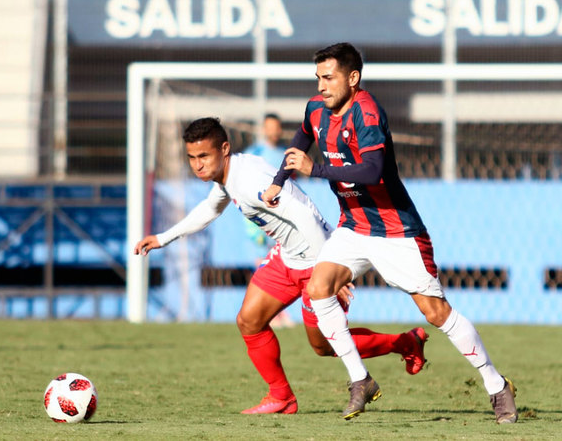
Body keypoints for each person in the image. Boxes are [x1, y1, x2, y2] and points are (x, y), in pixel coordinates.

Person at [261, 42, 518, 423]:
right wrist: (279, 181)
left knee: (436, 313)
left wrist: (314, 171)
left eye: (328, 77)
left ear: (353, 78)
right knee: (318, 289)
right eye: (317, 77)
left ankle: (497, 387)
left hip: (397, 230)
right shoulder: (316, 109)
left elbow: (371, 172)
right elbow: (301, 140)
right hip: (354, 227)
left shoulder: (367, 112)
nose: (321, 86)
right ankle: (360, 379)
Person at [134, 117, 428, 415]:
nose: (198, 165)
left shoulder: (250, 181)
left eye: (204, 156)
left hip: (316, 258)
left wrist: (329, 271)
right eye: (192, 158)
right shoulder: (229, 175)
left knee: (324, 346)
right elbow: (211, 207)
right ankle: (281, 396)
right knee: (249, 321)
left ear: (224, 149)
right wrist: (163, 238)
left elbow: (305, 217)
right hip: (287, 257)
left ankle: (405, 343)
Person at [244, 113, 294, 328]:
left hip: (282, 216)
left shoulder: (286, 154)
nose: (274, 131)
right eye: (270, 127)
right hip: (260, 219)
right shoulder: (254, 153)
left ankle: (279, 313)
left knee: (283, 265)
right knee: (263, 267)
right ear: (264, 129)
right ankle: (268, 314)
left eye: (277, 127)